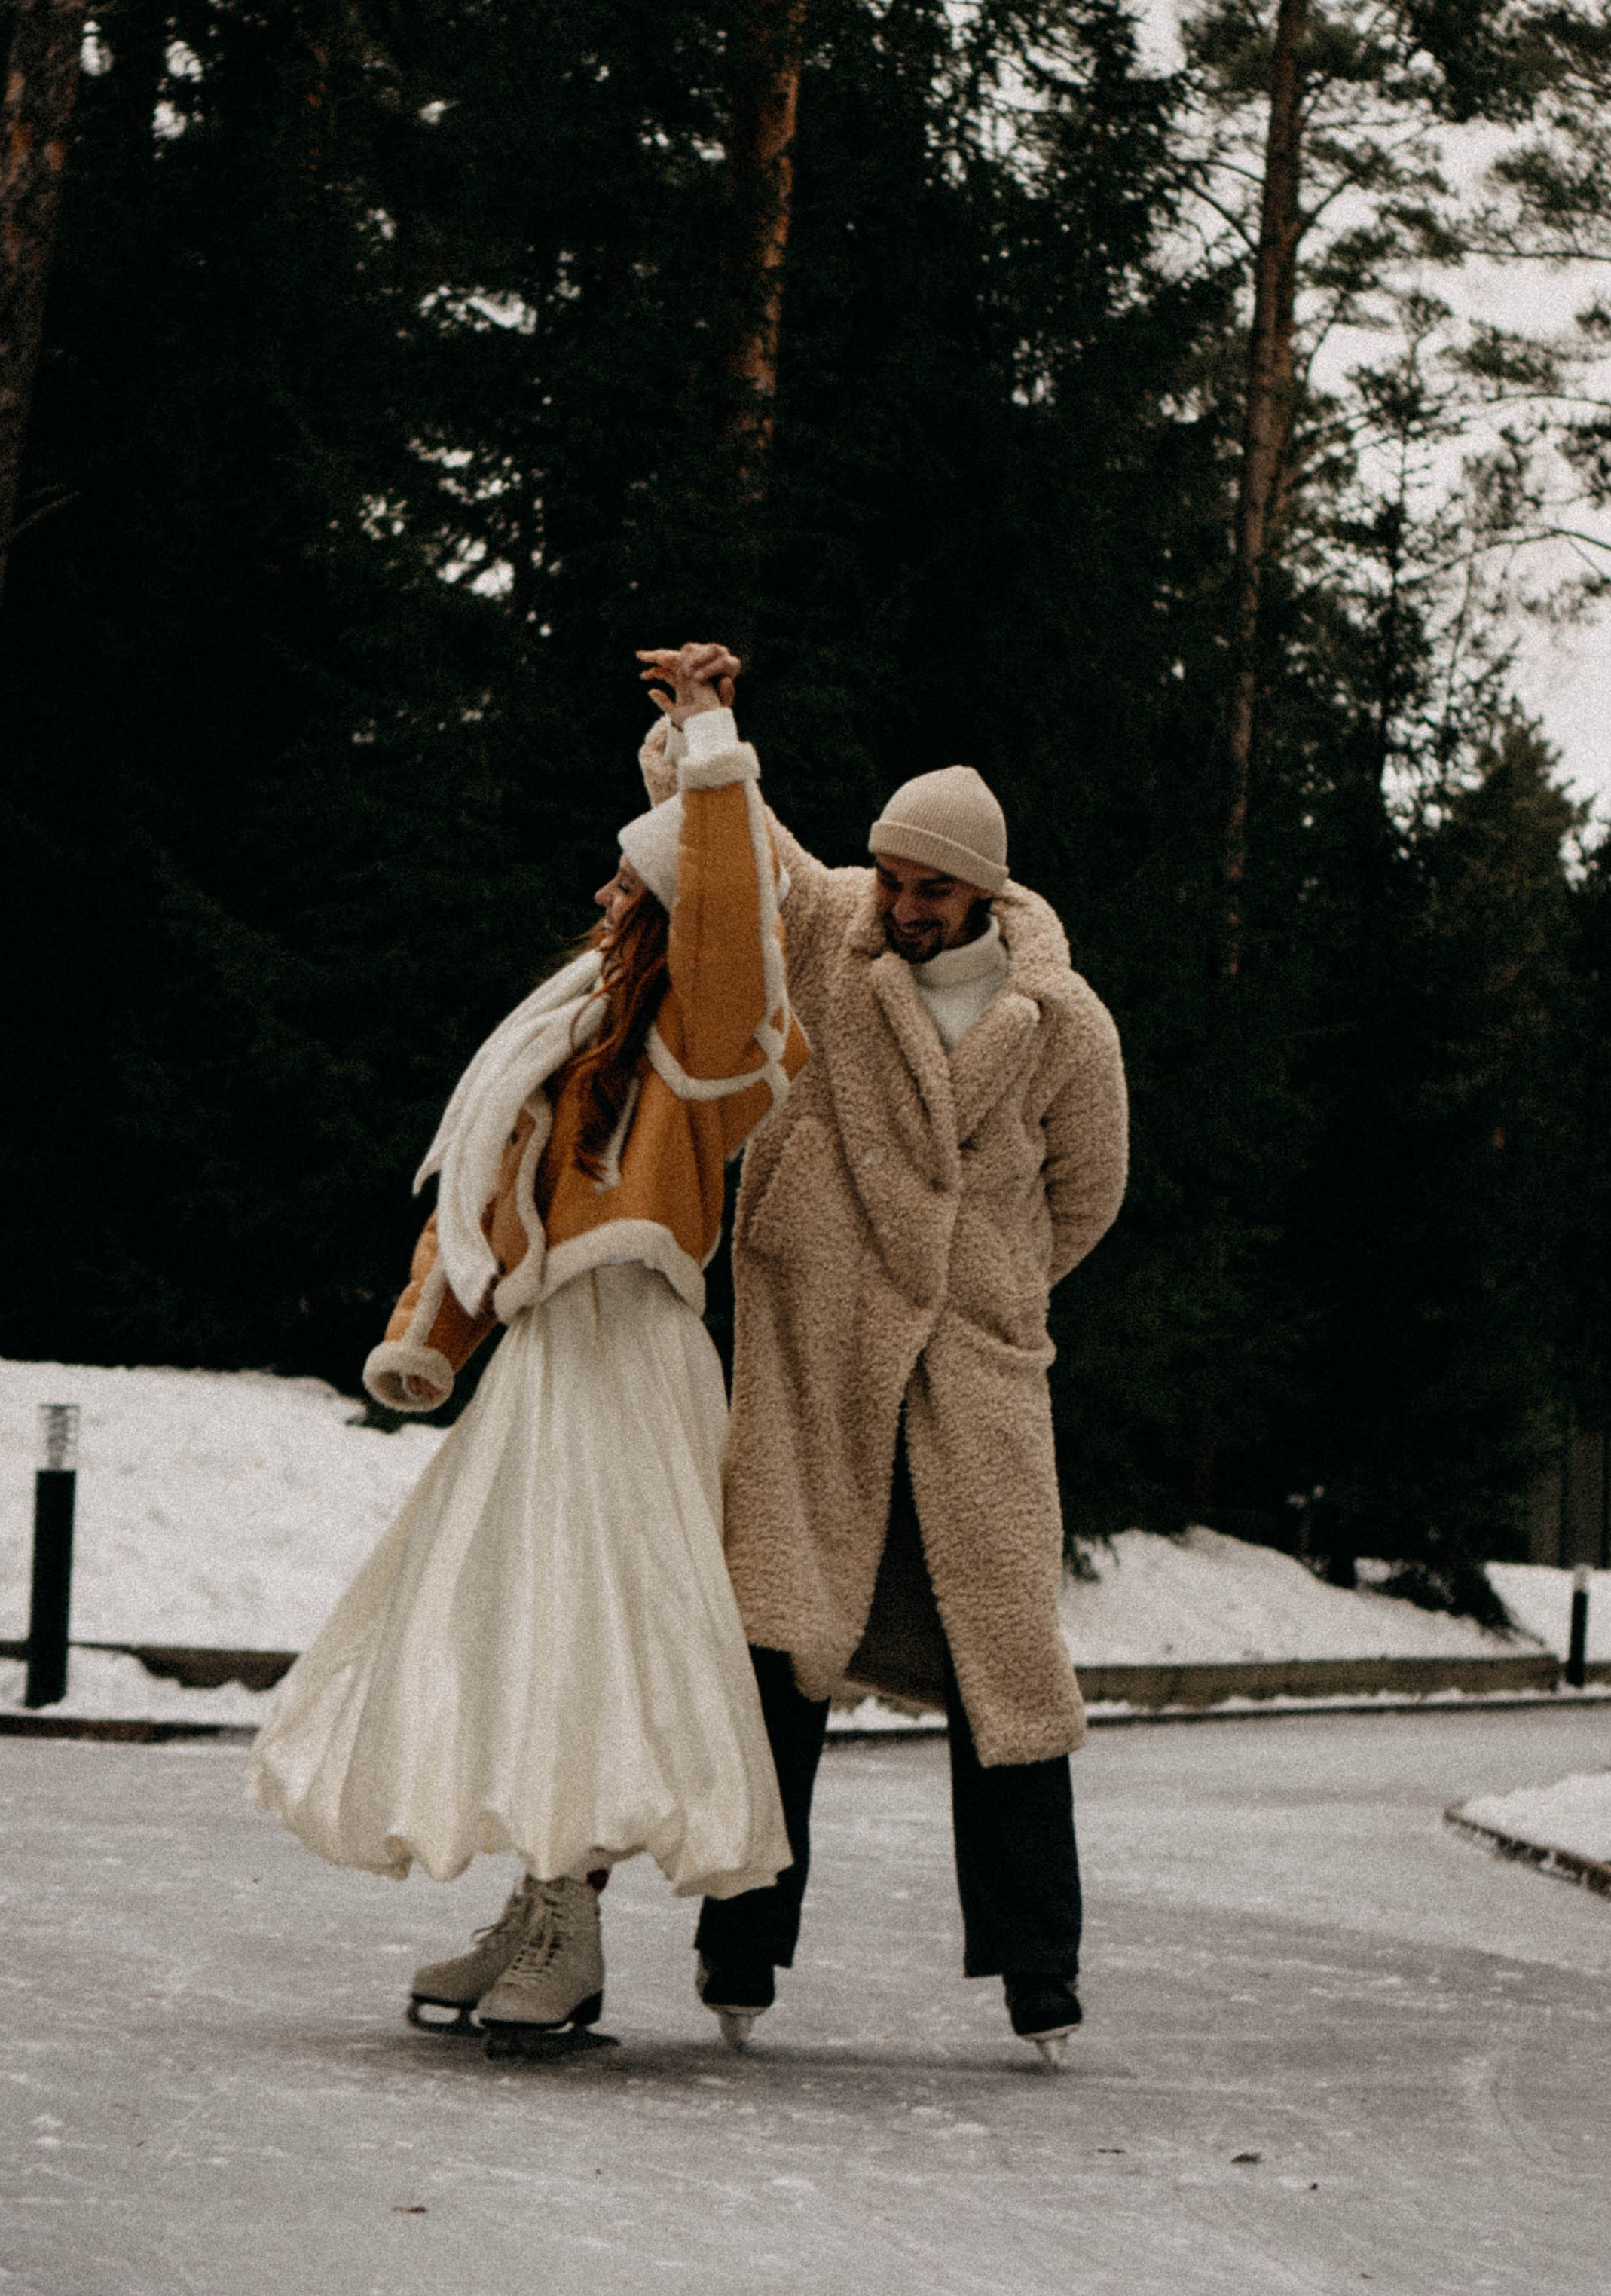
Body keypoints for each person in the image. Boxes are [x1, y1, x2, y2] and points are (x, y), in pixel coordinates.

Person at [248, 644, 806, 2052]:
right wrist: (427, 1335)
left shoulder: (705, 1037)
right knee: (522, 1626)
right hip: (555, 1359)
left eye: (633, 883)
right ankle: (541, 1902)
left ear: (674, 917)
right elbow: (484, 1187)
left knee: (600, 1633)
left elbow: (738, 915)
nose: (606, 894)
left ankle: (570, 1914)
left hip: (632, 1360)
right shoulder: (565, 1033)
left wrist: (711, 737)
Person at [633, 658, 1128, 2067]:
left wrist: (990, 1292)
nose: (904, 907)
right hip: (817, 1355)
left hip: (973, 1380)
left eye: (932, 892)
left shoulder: (1066, 1023)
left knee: (1007, 1671)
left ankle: (1042, 1977)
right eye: (894, 879)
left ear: (985, 895)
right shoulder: (834, 928)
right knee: (780, 1647)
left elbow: (1086, 1196)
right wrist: (698, 721)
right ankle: (740, 1954)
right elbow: (727, 828)